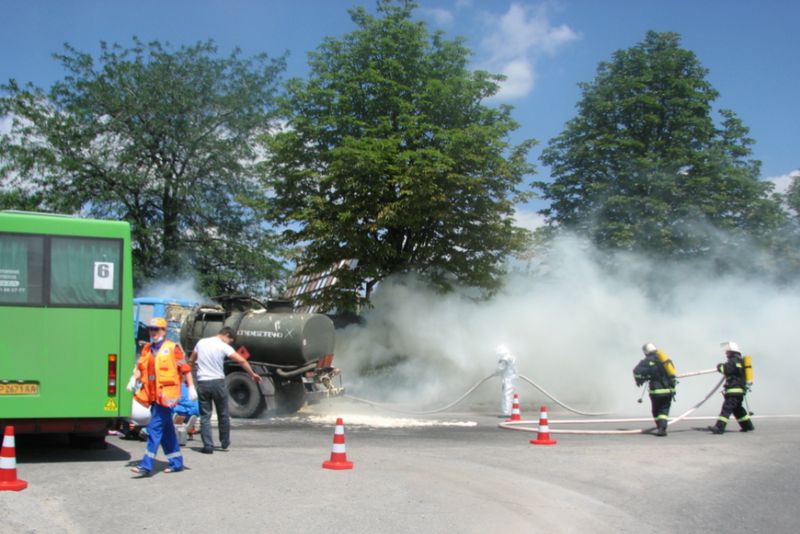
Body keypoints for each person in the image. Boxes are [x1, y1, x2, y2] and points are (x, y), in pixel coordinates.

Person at [128, 317, 196, 476]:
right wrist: (133, 378)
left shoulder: (173, 348)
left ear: (164, 331)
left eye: (157, 329)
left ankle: (146, 465)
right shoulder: (147, 349)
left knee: (154, 428)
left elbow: (185, 369)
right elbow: (140, 368)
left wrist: (191, 387)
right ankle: (176, 463)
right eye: (151, 329)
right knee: (167, 432)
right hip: (152, 396)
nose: (153, 332)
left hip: (166, 397)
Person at [190, 326, 262, 454]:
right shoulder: (223, 346)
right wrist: (252, 374)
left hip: (203, 383)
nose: (230, 343)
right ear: (226, 335)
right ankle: (224, 442)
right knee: (223, 413)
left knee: (205, 416)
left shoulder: (201, 343)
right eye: (231, 341)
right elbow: (241, 359)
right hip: (218, 382)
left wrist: (187, 377)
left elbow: (191, 360)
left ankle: (208, 446)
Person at [708, 341, 754, 434]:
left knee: (726, 408)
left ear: (732, 352)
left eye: (727, 352)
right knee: (738, 409)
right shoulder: (740, 361)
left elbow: (726, 369)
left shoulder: (733, 361)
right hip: (740, 390)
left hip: (733, 390)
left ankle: (719, 427)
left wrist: (719, 366)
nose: (726, 353)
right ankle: (748, 426)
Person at [633, 343, 676, 437]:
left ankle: (660, 428)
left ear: (645, 352)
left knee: (656, 410)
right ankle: (662, 428)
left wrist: (640, 379)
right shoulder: (665, 359)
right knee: (664, 410)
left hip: (656, 391)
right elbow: (672, 373)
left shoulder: (646, 361)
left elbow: (636, 372)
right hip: (669, 390)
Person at [494, 344, 518, 417]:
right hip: (512, 378)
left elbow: (500, 368)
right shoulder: (511, 357)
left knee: (506, 395)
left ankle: (507, 412)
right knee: (509, 395)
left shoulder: (505, 358)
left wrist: (495, 373)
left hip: (508, 379)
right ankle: (508, 411)